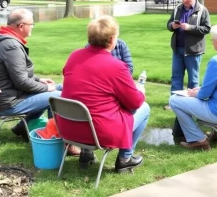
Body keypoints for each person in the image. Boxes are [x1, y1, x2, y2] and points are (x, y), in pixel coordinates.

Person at [57, 15, 150, 172]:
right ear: (113, 39)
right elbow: (135, 102)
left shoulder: (74, 56)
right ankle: (125, 159)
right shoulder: (117, 67)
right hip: (99, 133)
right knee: (145, 107)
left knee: (93, 104)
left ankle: (86, 153)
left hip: (69, 128)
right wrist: (141, 91)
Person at [0, 8, 62, 142]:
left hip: (13, 95)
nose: (32, 27)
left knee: (60, 87)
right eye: (31, 24)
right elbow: (22, 82)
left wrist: (39, 79)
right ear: (21, 26)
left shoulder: (2, 37)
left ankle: (21, 127)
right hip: (10, 103)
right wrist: (45, 88)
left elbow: (17, 74)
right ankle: (53, 138)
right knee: (58, 96)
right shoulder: (11, 46)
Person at [165, 0, 211, 110]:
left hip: (194, 50)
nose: (185, 0)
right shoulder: (178, 8)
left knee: (193, 79)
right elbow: (168, 25)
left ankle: (192, 104)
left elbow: (207, 29)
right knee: (176, 77)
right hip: (178, 48)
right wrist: (172, 26)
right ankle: (174, 103)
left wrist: (190, 27)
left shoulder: (202, 10)